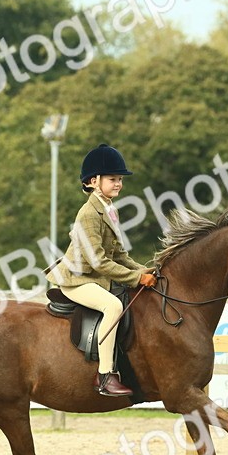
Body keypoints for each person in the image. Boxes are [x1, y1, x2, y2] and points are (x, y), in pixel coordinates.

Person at [47, 144, 156, 397]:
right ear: (94, 181)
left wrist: (147, 270)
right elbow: (98, 262)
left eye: (119, 179)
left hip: (94, 277)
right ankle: (105, 375)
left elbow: (119, 254)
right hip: (78, 280)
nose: (118, 184)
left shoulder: (108, 208)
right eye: (112, 179)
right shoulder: (88, 213)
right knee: (113, 306)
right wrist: (136, 278)